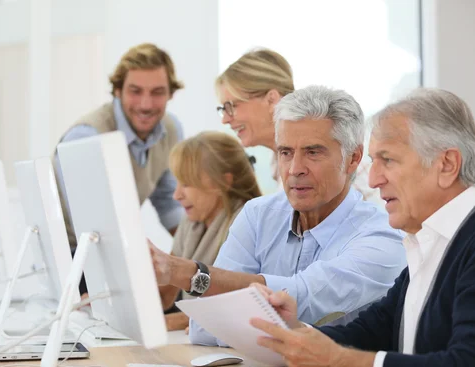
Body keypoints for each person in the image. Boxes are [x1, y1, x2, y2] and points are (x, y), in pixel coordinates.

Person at [250, 88, 475, 367]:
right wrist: (295, 332)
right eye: (373, 161)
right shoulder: (430, 239)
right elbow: (376, 330)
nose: (372, 179)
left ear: (447, 164)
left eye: (387, 160)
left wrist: (345, 366)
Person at [149, 85, 406, 345]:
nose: (295, 169)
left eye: (313, 152)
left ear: (353, 158)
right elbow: (207, 328)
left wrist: (186, 273)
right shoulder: (258, 215)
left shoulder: (383, 233)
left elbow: (301, 298)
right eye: (286, 152)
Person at [53, 43, 185, 295]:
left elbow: (169, 205)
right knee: (169, 297)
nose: (146, 104)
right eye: (135, 91)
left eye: (157, 92)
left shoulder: (171, 129)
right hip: (74, 259)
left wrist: (198, 255)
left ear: (170, 94)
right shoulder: (87, 136)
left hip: (114, 253)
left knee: (191, 290)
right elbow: (92, 226)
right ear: (117, 91)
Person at [217, 49, 382, 205]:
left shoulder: (338, 157)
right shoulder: (276, 163)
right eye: (286, 153)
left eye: (231, 106)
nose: (225, 119)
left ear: (271, 100)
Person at [157, 131, 262, 331]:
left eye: (186, 184)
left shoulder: (247, 223)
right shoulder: (191, 222)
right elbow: (164, 294)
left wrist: (168, 322)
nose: (176, 195)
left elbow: (238, 305)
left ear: (224, 181)